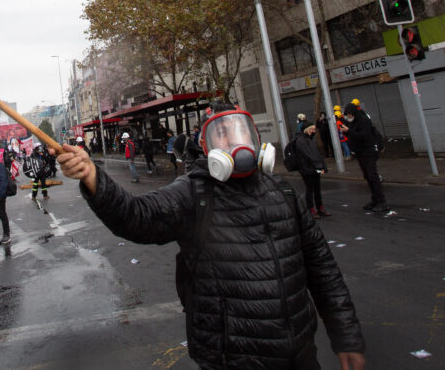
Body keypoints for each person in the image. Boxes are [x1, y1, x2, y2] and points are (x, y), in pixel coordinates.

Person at [53, 105, 367, 369]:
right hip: (230, 360)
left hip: (300, 356)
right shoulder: (194, 191)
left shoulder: (282, 191)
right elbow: (136, 217)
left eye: (240, 131)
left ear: (255, 138)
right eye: (223, 133)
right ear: (207, 147)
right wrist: (93, 177)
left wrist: (346, 336)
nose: (234, 139)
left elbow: (322, 268)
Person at [342, 103, 388, 212]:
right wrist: (348, 132)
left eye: (349, 115)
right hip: (360, 152)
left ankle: (381, 201)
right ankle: (375, 199)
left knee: (373, 176)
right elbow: (354, 136)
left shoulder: (363, 121)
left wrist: (348, 131)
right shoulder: (353, 123)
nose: (348, 117)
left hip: (369, 152)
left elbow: (363, 136)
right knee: (368, 176)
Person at [289, 124, 331, 218]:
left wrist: (322, 167)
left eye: (314, 129)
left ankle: (319, 208)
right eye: (312, 129)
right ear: (306, 130)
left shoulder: (308, 140)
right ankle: (312, 209)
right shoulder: (302, 141)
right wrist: (320, 167)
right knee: (311, 189)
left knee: (316, 189)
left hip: (312, 168)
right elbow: (310, 155)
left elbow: (317, 155)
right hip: (307, 169)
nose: (314, 131)